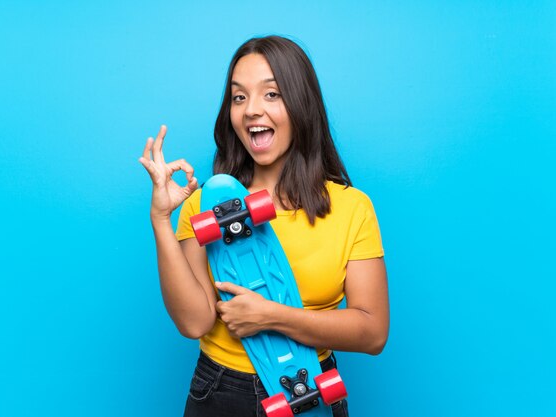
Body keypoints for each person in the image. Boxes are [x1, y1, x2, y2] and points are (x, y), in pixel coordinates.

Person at [138, 35, 389, 417]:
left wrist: (274, 316)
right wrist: (160, 219)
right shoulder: (206, 205)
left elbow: (373, 332)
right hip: (220, 389)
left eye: (271, 94)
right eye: (239, 97)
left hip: (308, 390)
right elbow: (194, 322)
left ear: (302, 104)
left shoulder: (352, 208)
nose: (252, 109)